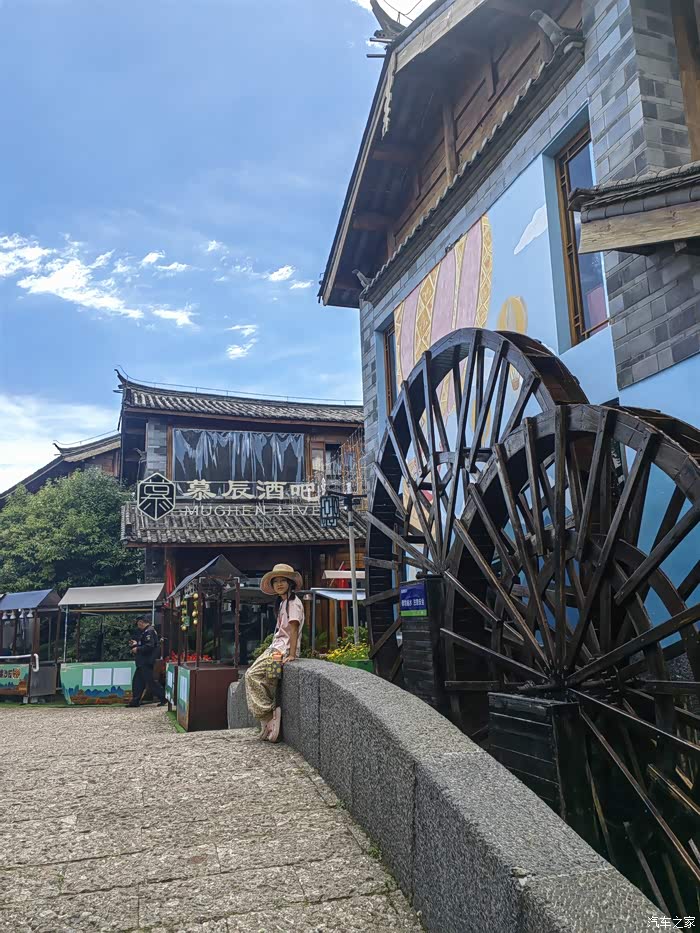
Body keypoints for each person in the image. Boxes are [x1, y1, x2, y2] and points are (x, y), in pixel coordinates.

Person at [245, 562, 304, 742]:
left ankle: (268, 715)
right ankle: (266, 721)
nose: (279, 584)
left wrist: (292, 654)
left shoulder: (293, 603)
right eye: (276, 581)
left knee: (251, 675)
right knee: (268, 681)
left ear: (290, 583)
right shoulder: (283, 603)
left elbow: (294, 630)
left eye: (283, 581)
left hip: (281, 650)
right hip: (276, 647)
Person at [126, 618, 166, 708]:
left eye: (138, 623)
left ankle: (163, 697)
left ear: (141, 622)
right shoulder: (146, 632)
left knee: (150, 682)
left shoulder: (149, 632)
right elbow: (145, 644)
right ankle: (135, 701)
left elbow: (149, 646)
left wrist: (138, 649)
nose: (138, 625)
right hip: (142, 662)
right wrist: (136, 644)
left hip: (146, 661)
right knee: (137, 682)